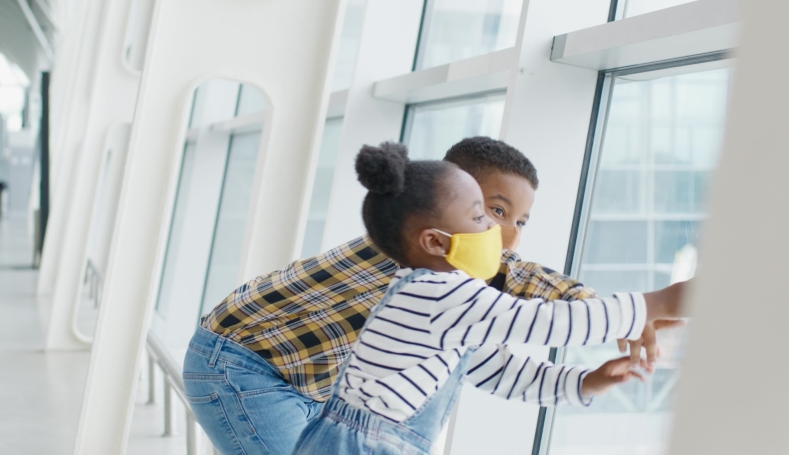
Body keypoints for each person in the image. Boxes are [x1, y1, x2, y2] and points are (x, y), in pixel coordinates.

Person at [183, 137, 684, 455]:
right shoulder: (426, 276)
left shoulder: (446, 283)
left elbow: (495, 365)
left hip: (324, 392)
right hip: (244, 363)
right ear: (432, 222)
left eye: (519, 221)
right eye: (490, 211)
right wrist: (650, 306)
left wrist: (582, 382)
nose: (503, 232)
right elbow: (535, 310)